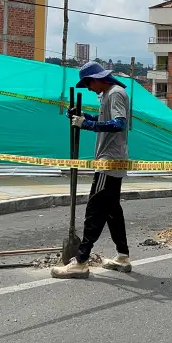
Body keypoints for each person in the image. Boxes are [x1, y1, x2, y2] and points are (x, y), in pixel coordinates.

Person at [51, 61, 132, 279]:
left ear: (96, 79)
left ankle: (81, 260)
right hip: (111, 159)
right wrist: (84, 117)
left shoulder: (114, 93)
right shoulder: (109, 94)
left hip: (109, 161)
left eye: (88, 84)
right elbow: (105, 120)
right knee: (113, 210)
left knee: (94, 210)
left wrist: (85, 125)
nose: (88, 89)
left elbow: (118, 124)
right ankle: (122, 256)